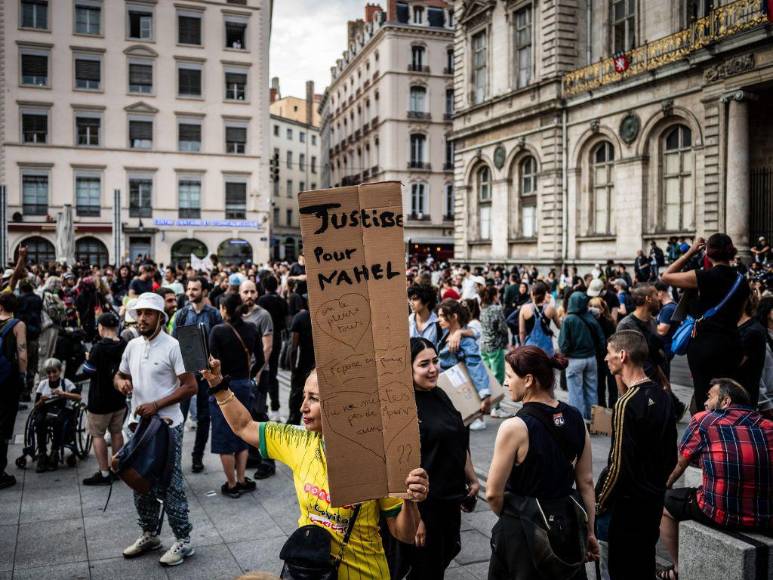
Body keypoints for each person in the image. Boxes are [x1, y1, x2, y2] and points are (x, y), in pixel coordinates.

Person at [202, 362, 430, 579]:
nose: (303, 407)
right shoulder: (298, 440)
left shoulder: (377, 457)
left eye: (314, 399)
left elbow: (405, 534)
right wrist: (218, 384)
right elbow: (244, 426)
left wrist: (410, 501)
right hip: (307, 571)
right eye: (304, 396)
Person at [486, 346, 599, 579]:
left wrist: (512, 519)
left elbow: (492, 494)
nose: (506, 383)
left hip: (524, 531)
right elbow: (586, 482)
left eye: (509, 376)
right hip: (566, 526)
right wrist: (589, 532)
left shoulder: (514, 427)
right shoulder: (576, 417)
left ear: (528, 380)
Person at [658, 378, 773, 579]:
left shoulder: (704, 420)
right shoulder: (769, 426)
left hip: (719, 513)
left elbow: (679, 466)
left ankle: (677, 568)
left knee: (665, 505)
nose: (705, 403)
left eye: (710, 397)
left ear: (726, 401)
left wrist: (663, 487)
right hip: (763, 517)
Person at [385, 338, 480, 579]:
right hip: (426, 507)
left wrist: (472, 477)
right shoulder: (403, 408)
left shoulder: (441, 394)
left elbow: (458, 436)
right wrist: (417, 518)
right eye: (424, 364)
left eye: (435, 361)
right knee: (426, 570)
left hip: (450, 502)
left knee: (443, 558)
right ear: (407, 368)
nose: (433, 368)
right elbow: (400, 468)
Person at [116, 292, 198, 567]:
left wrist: (157, 404)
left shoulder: (174, 345)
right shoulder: (132, 345)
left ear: (161, 317)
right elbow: (121, 374)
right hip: (138, 426)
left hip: (167, 427)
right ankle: (149, 533)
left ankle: (184, 541)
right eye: (139, 313)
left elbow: (190, 386)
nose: (142, 318)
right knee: (140, 482)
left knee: (170, 484)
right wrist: (121, 383)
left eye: (148, 313)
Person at [597, 331, 677, 580]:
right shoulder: (662, 394)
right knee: (643, 563)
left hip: (627, 505)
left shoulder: (626, 402)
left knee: (621, 567)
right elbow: (670, 454)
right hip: (652, 500)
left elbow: (618, 464)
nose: (605, 358)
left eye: (609, 353)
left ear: (622, 355)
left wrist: (600, 501)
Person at [662, 234, 749, 410]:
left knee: (704, 393)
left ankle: (705, 431)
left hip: (704, 345)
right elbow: (741, 315)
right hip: (731, 343)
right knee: (728, 395)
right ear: (731, 252)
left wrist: (691, 252)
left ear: (707, 253)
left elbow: (666, 276)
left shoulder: (703, 277)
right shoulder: (741, 280)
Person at [208, 293, 265, 498]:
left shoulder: (217, 331)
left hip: (224, 387)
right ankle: (241, 479)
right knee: (243, 431)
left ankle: (231, 484)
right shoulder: (251, 328)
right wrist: (250, 375)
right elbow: (260, 358)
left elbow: (211, 363)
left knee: (224, 437)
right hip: (244, 385)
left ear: (224, 308)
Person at [173, 277, 223, 473]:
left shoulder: (214, 315)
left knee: (204, 418)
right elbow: (174, 345)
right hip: (186, 376)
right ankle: (175, 458)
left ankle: (197, 457)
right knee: (179, 417)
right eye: (189, 289)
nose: (191, 292)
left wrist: (213, 370)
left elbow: (219, 344)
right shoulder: (182, 314)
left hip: (205, 376)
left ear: (204, 291)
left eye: (195, 289)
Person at [81, 313, 127, 485]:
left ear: (100, 327)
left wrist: (88, 358)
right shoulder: (124, 344)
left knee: (97, 435)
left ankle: (104, 473)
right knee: (116, 432)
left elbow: (89, 371)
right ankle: (117, 468)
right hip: (119, 398)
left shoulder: (98, 348)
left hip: (99, 400)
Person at [239, 280, 275, 478]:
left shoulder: (263, 315)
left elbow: (267, 347)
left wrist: (258, 373)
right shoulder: (238, 315)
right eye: (246, 292)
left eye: (252, 291)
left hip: (260, 373)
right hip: (243, 375)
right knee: (248, 415)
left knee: (260, 415)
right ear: (239, 293)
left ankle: (268, 462)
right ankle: (253, 455)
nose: (249, 295)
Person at [437, 299, 491, 430]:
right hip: (447, 391)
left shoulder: (465, 340)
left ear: (454, 317)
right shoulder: (446, 334)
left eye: (442, 316)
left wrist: (485, 394)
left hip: (459, 393)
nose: (439, 320)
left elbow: (475, 365)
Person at [558, 292, 605, 421]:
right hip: (591, 358)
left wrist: (565, 353)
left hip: (574, 360)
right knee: (591, 390)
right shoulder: (590, 316)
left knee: (575, 393)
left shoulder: (568, 319)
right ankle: (594, 420)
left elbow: (563, 344)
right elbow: (601, 338)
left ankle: (578, 422)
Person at [33, 358, 82, 472]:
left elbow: (78, 397)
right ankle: (42, 453)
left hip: (62, 409)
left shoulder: (66, 383)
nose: (51, 375)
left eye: (54, 372)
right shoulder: (43, 384)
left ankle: (54, 452)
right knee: (39, 421)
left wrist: (64, 394)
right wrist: (41, 400)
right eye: (49, 372)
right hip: (45, 409)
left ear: (60, 371)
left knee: (58, 421)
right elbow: (36, 405)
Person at [0, 293, 27, 489]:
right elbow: (22, 354)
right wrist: (22, 376)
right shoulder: (17, 325)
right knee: (4, 425)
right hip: (7, 382)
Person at [258, 275, 287, 421]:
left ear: (264, 286)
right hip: (276, 340)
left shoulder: (261, 301)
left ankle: (263, 408)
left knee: (262, 373)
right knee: (273, 375)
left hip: (263, 340)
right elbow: (285, 323)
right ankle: (275, 409)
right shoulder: (282, 301)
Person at [479, 286, 510, 419]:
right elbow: (502, 328)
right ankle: (495, 408)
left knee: (487, 377)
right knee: (498, 377)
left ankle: (487, 405)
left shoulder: (482, 308)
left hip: (484, 345)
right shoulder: (496, 309)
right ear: (494, 296)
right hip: (495, 346)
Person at [736, 296, 766, 407]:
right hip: (732, 393)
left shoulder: (753, 331)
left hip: (741, 397)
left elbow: (734, 362)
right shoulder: (733, 326)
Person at [287, 307, 314, 425]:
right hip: (318, 367)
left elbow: (293, 347)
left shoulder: (299, 318)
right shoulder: (323, 316)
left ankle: (294, 425)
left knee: (296, 398)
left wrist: (293, 369)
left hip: (302, 367)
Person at [588, 297, 617, 408]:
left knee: (612, 384)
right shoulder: (590, 321)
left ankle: (613, 407)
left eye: (596, 307)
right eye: (591, 306)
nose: (593, 309)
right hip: (597, 357)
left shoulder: (609, 321)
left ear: (603, 308)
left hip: (609, 356)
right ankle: (602, 407)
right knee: (600, 384)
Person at [519, 281, 559, 356]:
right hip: (546, 349)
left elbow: (522, 332)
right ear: (544, 294)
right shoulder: (551, 309)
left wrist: (523, 346)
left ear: (532, 293)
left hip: (530, 348)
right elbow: (559, 326)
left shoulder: (524, 308)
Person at [654, 281, 678, 378]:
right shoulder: (671, 306)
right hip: (666, 347)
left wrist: (648, 324)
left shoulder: (668, 309)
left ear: (661, 292)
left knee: (662, 377)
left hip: (665, 348)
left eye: (655, 294)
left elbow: (662, 330)